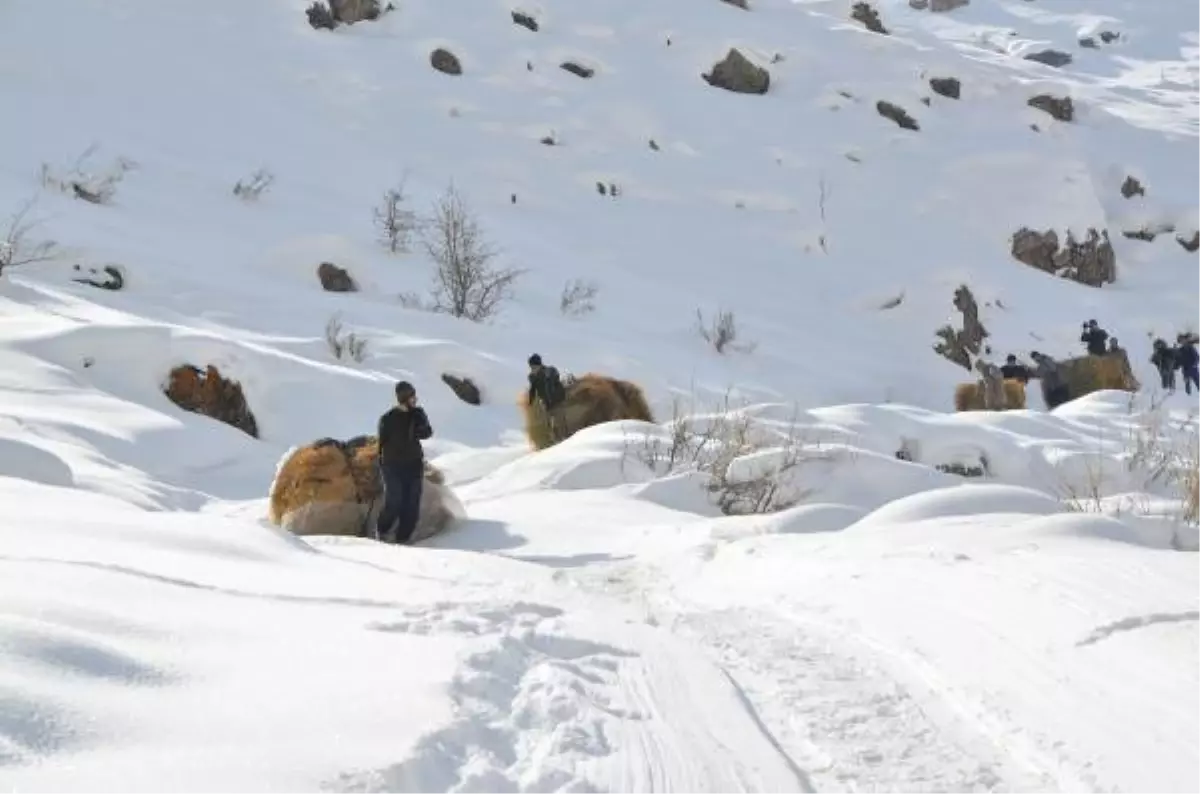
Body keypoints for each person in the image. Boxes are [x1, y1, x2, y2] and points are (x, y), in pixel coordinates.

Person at [375, 381, 433, 544]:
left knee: (412, 505)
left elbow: (427, 433)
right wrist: (381, 464)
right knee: (394, 500)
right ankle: (382, 531)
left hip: (413, 464)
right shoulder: (388, 418)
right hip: (391, 465)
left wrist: (419, 422)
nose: (415, 399)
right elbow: (382, 443)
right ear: (404, 397)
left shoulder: (418, 413)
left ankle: (403, 538)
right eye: (412, 396)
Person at [527, 353, 568, 439]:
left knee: (560, 422)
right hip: (546, 404)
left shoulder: (549, 371)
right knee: (547, 424)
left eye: (534, 367)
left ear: (539, 365)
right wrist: (530, 402)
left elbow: (553, 382)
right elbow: (533, 389)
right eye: (531, 367)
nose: (532, 369)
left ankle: (565, 439)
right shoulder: (532, 377)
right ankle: (553, 441)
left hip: (557, 401)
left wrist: (549, 378)